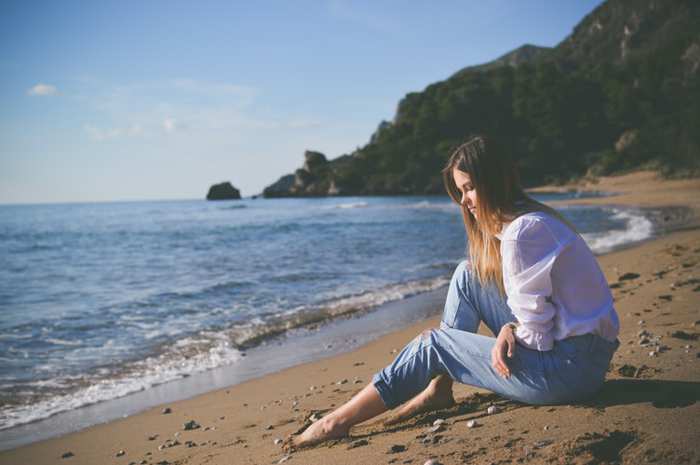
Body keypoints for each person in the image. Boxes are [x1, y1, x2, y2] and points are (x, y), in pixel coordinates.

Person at [289, 135, 620, 449]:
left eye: (471, 188)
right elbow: (545, 318)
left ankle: (336, 421)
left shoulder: (522, 233)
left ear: (494, 181)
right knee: (467, 274)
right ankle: (439, 388)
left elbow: (538, 338)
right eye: (461, 190)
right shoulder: (533, 221)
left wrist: (511, 331)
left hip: (567, 373)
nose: (464, 201)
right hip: (582, 358)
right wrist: (510, 329)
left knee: (434, 343)